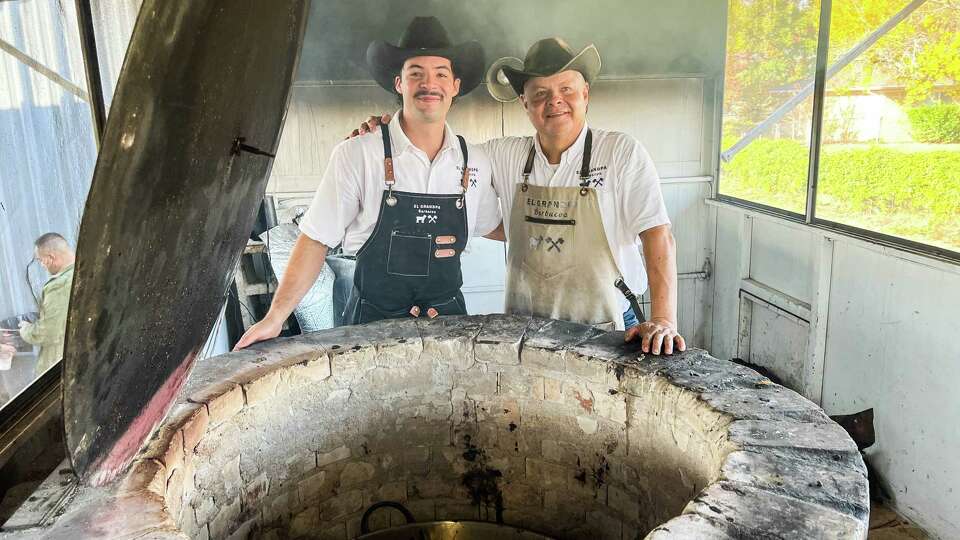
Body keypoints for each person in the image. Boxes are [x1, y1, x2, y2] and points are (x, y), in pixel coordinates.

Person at [355, 38, 685, 355]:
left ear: (585, 94)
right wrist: (389, 133)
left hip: (608, 324)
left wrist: (663, 320)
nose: (554, 101)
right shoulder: (503, 155)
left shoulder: (620, 152)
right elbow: (439, 155)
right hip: (527, 329)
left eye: (566, 89)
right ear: (525, 103)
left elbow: (658, 235)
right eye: (540, 93)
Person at [234, 17, 500, 349]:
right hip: (373, 325)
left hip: (447, 324)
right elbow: (315, 239)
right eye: (415, 73)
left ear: (455, 85)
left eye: (441, 74)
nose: (429, 83)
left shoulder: (474, 160)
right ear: (399, 83)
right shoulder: (358, 153)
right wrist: (274, 317)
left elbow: (494, 226)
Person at [19, 232, 75, 375]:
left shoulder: (59, 286)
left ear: (51, 258)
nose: (42, 266)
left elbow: (48, 332)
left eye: (40, 260)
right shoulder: (87, 270)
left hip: (58, 373)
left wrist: (25, 330)